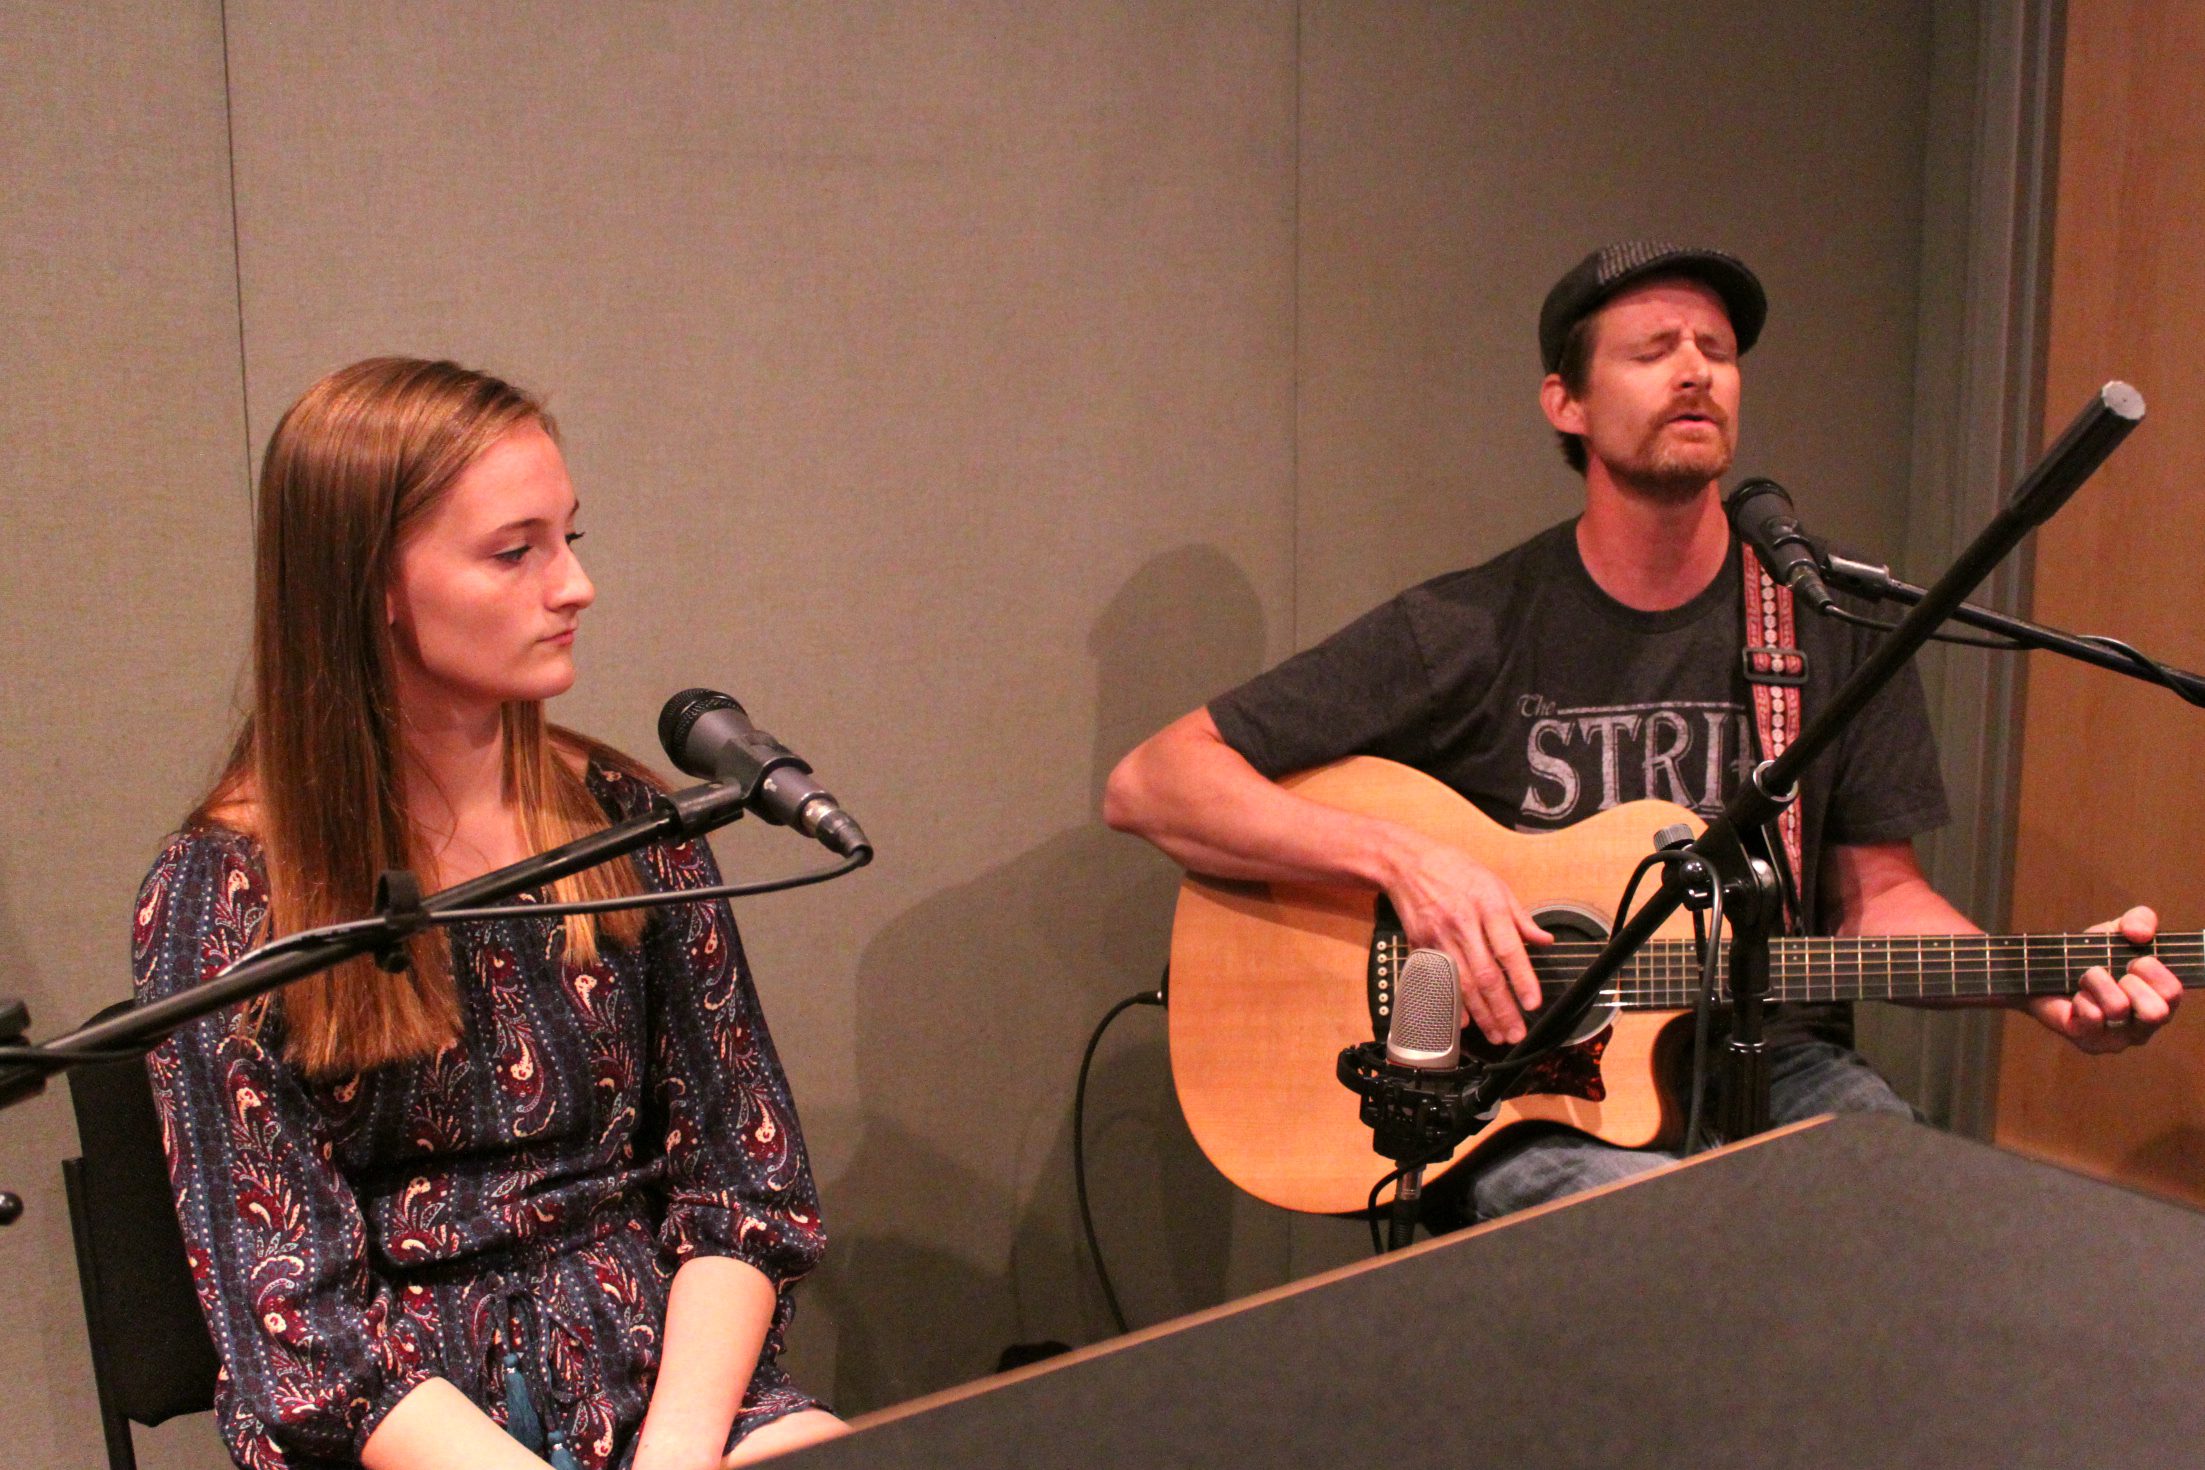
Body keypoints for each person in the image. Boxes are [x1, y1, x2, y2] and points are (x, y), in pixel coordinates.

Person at [1102, 240, 2182, 1224]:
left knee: (1914, 1215)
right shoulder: (1468, 628)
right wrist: (1407, 862)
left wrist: (2038, 984)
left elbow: (1878, 903)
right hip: (1521, 1093)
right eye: (1653, 349)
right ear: (1565, 402)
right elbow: (1154, 783)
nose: (1696, 370)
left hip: (1775, 1059)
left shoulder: (1828, 626)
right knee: (1651, 1232)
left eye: (1717, 349)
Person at [132, 358, 847, 1469]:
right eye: (516, 552)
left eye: (571, 538)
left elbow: (742, 1182)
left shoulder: (624, 820)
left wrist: (674, 1452)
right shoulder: (224, 895)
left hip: (665, 1393)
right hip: (414, 1430)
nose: (573, 586)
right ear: (367, 584)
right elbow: (304, 1342)